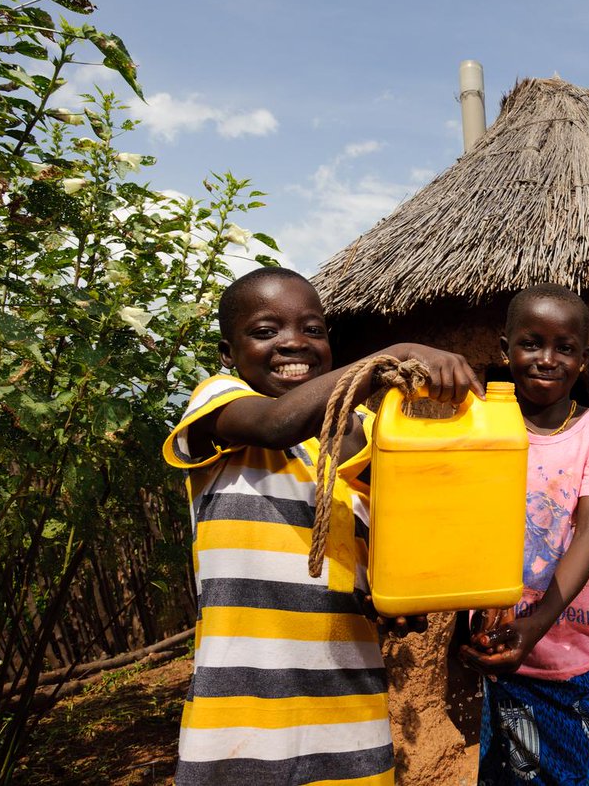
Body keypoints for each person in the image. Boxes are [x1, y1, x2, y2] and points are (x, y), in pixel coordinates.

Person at [162, 266, 480, 785]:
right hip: (240, 710)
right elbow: (277, 423)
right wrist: (390, 355)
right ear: (227, 353)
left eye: (313, 330)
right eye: (266, 332)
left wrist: (393, 598)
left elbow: (400, 533)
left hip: (348, 704)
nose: (295, 344)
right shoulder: (219, 407)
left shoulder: (369, 434)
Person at [460, 283, 589, 785]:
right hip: (505, 657)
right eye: (531, 343)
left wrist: (536, 625)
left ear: (583, 359)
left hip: (585, 660)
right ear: (505, 350)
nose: (547, 358)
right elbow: (463, 528)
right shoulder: (483, 427)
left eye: (564, 348)